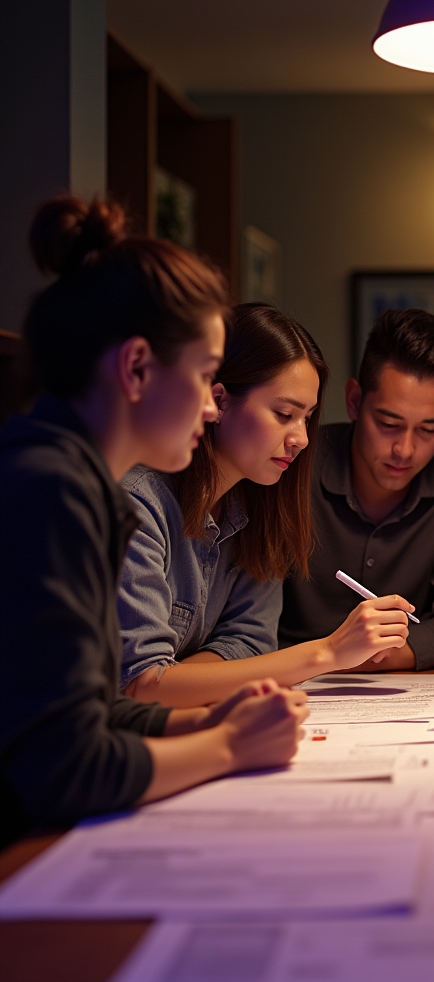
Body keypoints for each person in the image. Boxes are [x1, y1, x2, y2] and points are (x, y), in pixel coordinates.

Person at [0, 197, 307, 849]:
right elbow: (65, 768)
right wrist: (228, 747)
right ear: (137, 368)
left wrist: (199, 723)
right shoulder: (54, 491)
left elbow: (91, 710)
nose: (210, 404)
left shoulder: (70, 476)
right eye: (203, 376)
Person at [118, 303, 414, 708]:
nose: (302, 438)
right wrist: (327, 653)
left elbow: (250, 640)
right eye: (284, 414)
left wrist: (185, 680)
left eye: (307, 418)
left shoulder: (259, 503)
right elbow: (141, 684)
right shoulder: (138, 503)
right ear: (218, 402)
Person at [279, 308, 434, 671]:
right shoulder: (292, 462)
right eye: (389, 423)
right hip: (288, 687)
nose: (405, 449)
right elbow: (250, 626)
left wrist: (352, 658)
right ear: (354, 401)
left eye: (429, 429)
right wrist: (328, 656)